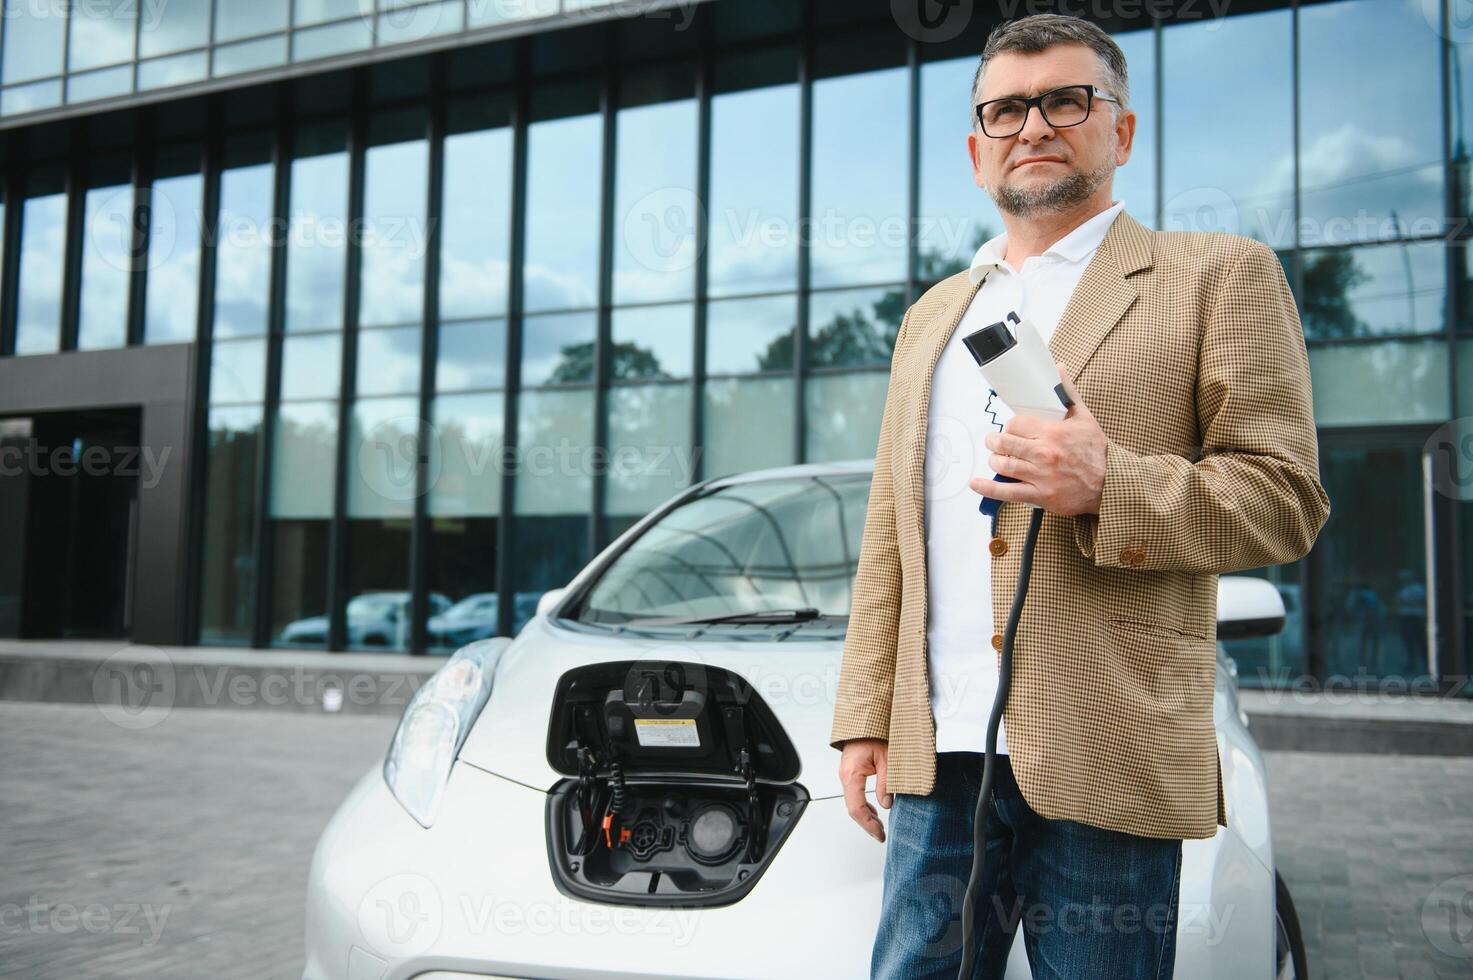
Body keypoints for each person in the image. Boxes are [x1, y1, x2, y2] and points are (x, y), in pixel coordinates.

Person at [828, 13, 1331, 980]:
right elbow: (890, 534)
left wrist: (1111, 484)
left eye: (1066, 100)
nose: (1034, 125)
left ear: (1121, 131)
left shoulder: (1214, 276)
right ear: (978, 151)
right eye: (1006, 109)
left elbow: (1285, 499)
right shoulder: (933, 314)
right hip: (940, 757)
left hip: (1108, 747)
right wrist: (862, 718)